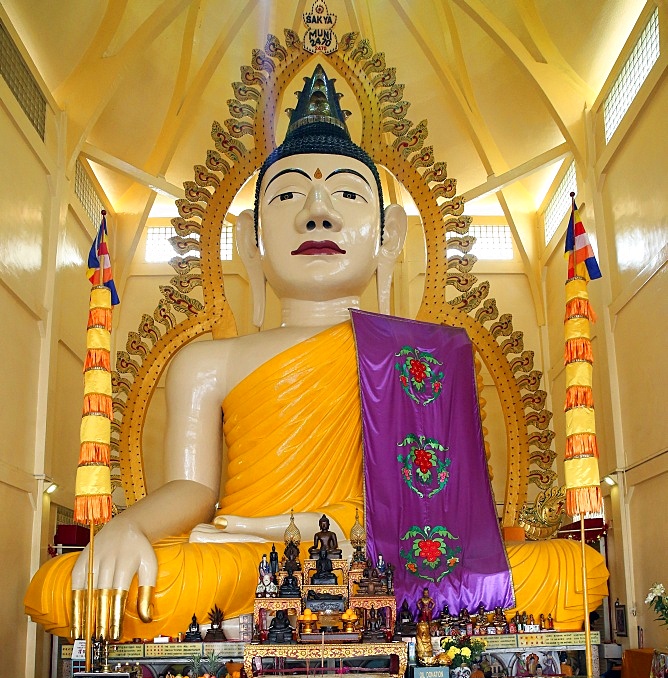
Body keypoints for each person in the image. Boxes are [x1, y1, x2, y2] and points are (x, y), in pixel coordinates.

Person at [25, 64, 608, 641]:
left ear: (389, 235)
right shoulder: (207, 363)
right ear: (250, 238)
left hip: (370, 557)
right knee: (96, 582)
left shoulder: (429, 355)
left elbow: (442, 513)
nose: (318, 212)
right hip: (244, 564)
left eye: (348, 194)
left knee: (571, 571)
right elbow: (194, 491)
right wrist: (128, 528)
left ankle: (264, 619)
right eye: (288, 196)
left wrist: (271, 529)